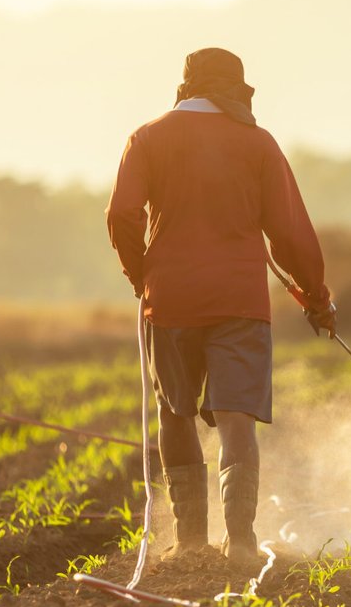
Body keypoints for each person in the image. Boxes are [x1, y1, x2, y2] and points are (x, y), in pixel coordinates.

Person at [106, 47, 335, 570]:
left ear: (185, 87)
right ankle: (242, 543)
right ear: (236, 90)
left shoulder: (147, 137)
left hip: (170, 301)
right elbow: (291, 233)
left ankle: (189, 542)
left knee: (175, 413)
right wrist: (317, 299)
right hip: (239, 302)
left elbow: (122, 214)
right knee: (236, 424)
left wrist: (140, 275)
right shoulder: (258, 143)